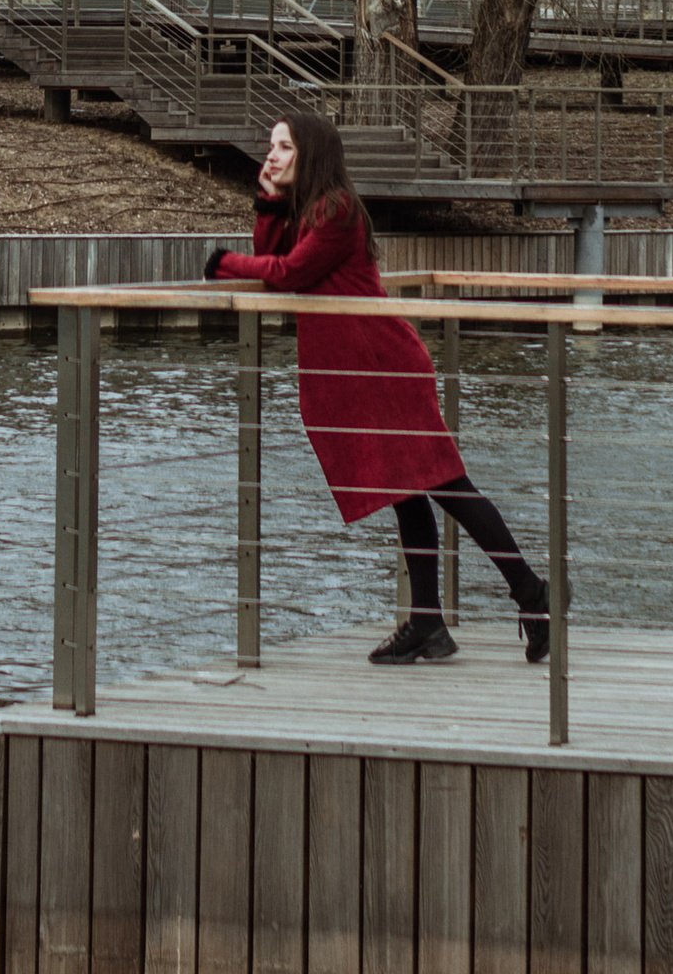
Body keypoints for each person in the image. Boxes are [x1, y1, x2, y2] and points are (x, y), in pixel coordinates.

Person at [204, 106, 550, 668]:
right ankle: (428, 624)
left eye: (284, 147)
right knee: (409, 495)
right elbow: (274, 258)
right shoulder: (310, 209)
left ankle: (532, 593)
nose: (272, 155)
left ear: (312, 153)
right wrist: (267, 201)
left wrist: (223, 263)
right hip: (361, 372)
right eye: (271, 146)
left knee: (447, 486)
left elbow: (287, 272)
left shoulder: (336, 209)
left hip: (385, 368)